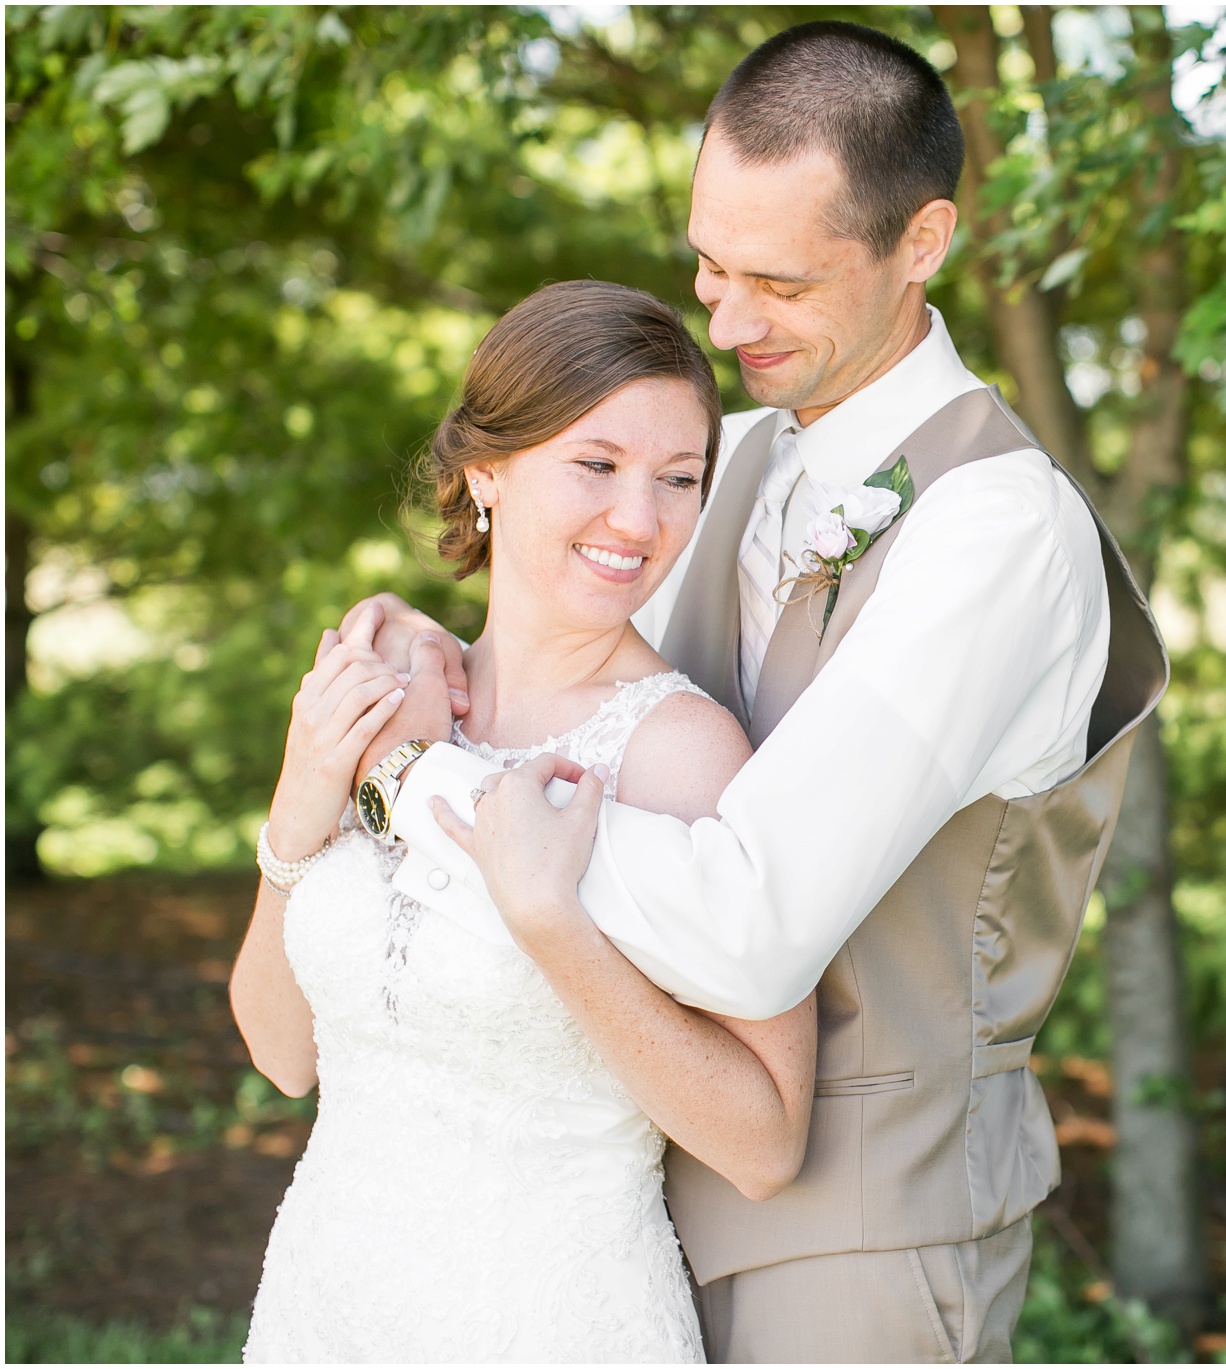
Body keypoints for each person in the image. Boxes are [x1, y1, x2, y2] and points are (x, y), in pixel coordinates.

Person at [348, 20, 1167, 1363]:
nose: (723, 323)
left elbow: (749, 922)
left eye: (778, 283)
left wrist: (426, 776)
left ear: (922, 245)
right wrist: (423, 658)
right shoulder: (720, 459)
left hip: (861, 1238)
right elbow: (587, 700)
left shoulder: (996, 529)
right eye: (709, 266)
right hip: (620, 1210)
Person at [230, 280, 817, 1363]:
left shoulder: (679, 751)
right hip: (328, 1301)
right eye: (595, 465)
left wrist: (556, 927)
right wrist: (300, 806)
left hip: (550, 1315)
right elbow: (282, 1053)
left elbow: (765, 1141)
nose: (638, 521)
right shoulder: (394, 697)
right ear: (483, 469)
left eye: (677, 479)